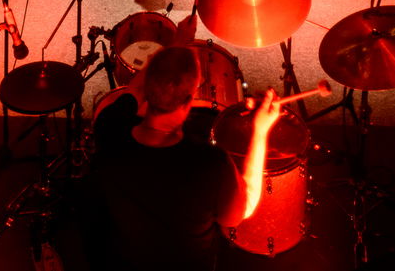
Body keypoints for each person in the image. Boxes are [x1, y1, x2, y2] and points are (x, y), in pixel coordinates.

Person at [90, 44, 282, 271]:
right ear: (189, 100)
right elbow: (240, 212)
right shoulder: (209, 163)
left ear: (147, 86)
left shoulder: (109, 124)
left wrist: (176, 45)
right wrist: (261, 131)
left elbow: (134, 90)